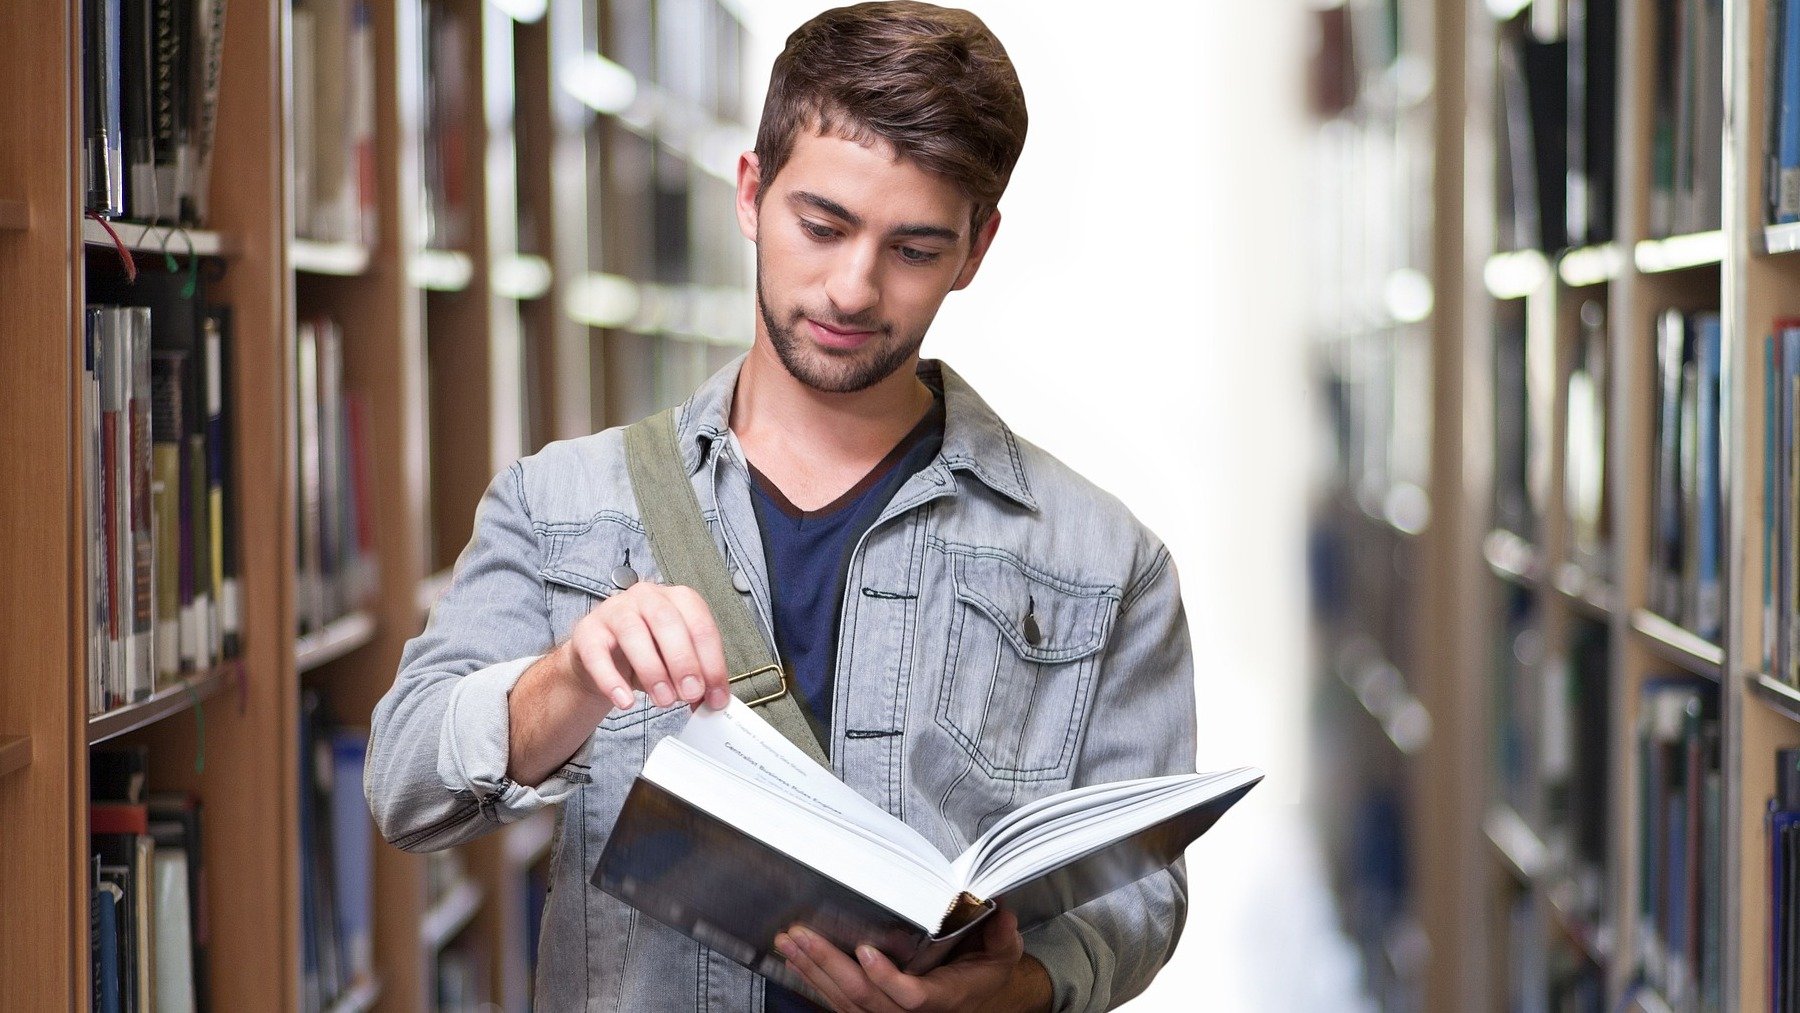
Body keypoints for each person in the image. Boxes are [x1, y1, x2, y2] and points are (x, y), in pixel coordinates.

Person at [365, 3, 1197, 1010]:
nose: (852, 289)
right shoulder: (562, 504)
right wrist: (569, 677)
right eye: (823, 226)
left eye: (914, 249)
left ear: (975, 251)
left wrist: (1019, 987)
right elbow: (404, 786)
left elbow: (1142, 894)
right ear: (752, 192)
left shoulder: (1108, 563)